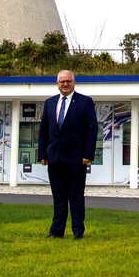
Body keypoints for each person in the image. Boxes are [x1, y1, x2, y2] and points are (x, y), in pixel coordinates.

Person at [38, 70, 98, 240]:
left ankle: (78, 231)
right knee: (58, 196)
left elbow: (92, 130)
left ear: (74, 82)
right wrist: (42, 154)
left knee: (76, 195)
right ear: (57, 83)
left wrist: (88, 154)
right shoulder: (49, 103)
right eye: (62, 81)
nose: (65, 84)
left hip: (76, 158)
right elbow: (43, 130)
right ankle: (57, 231)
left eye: (68, 81)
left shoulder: (85, 102)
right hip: (54, 158)